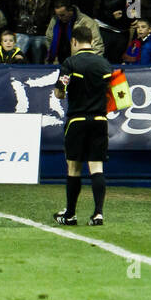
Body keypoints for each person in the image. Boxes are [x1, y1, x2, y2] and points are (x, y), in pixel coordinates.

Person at [53, 24, 111, 227]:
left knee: (74, 167)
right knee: (96, 167)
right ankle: (98, 214)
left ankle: (70, 214)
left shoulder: (71, 63)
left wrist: (63, 90)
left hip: (77, 120)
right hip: (99, 120)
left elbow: (60, 92)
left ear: (74, 42)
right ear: (92, 41)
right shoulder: (104, 65)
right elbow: (113, 92)